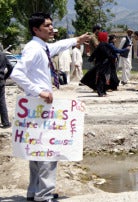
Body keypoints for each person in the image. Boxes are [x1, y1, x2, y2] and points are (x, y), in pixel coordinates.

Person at [10, 12, 91, 202]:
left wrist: (76, 40)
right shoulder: (33, 49)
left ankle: (35, 191)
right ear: (36, 29)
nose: (51, 28)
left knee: (37, 148)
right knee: (48, 149)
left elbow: (56, 47)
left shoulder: (41, 47)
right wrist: (39, 91)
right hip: (38, 104)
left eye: (51, 24)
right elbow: (17, 74)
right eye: (47, 25)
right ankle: (44, 195)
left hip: (37, 105)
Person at [82, 32, 127, 96]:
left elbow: (95, 53)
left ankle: (103, 91)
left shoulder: (102, 44)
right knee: (102, 78)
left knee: (103, 78)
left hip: (102, 64)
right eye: (106, 36)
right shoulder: (103, 45)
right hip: (103, 64)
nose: (108, 37)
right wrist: (113, 57)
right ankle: (101, 92)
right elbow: (107, 53)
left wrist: (91, 58)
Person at [0, 51, 13, 129]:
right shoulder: (2, 55)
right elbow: (10, 67)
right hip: (0, 80)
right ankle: (5, 122)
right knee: (1, 101)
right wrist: (5, 77)